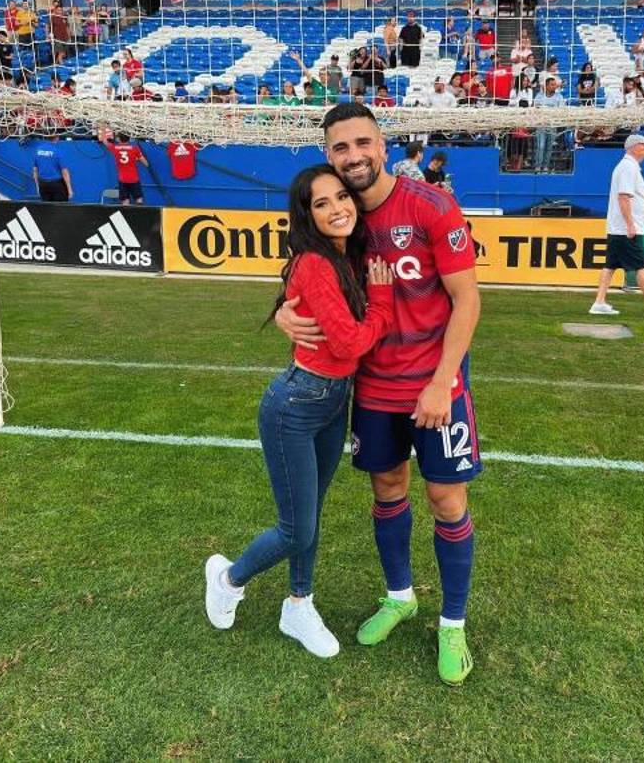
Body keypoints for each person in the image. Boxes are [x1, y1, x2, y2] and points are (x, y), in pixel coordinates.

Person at [276, 103, 482, 686]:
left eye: (362, 143)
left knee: (446, 501)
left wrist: (441, 382)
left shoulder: (431, 206)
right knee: (387, 489)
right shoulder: (336, 219)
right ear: (328, 155)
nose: (354, 156)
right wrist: (286, 312)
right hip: (371, 387)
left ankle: (452, 623)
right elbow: (304, 275)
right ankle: (400, 597)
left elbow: (467, 299)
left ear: (383, 145)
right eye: (341, 148)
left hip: (436, 385)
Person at [205, 164, 394, 658]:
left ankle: (298, 604)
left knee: (310, 515)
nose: (337, 209)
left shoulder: (344, 254)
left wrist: (288, 309)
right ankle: (228, 579)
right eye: (321, 203)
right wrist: (382, 304)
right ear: (306, 215)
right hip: (295, 406)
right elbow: (350, 343)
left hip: (333, 402)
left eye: (341, 197)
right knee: (297, 528)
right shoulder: (314, 261)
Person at [589, 134, 644, 319]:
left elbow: (628, 195)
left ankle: (599, 303)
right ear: (634, 147)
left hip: (619, 228)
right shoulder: (628, 168)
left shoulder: (629, 167)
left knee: (610, 265)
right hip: (626, 229)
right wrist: (630, 225)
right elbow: (623, 197)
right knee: (641, 266)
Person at [102, 132, 149, 205]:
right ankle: (139, 211)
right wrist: (137, 159)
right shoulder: (134, 148)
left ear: (119, 139)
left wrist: (103, 130)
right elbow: (146, 164)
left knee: (125, 201)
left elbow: (104, 141)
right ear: (129, 138)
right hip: (134, 178)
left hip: (122, 179)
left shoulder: (115, 148)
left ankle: (126, 212)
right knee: (139, 199)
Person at [533, 77, 565, 173]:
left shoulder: (559, 97)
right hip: (541, 125)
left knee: (549, 147)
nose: (554, 86)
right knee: (541, 146)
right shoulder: (539, 96)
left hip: (552, 125)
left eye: (555, 84)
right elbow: (535, 109)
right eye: (552, 84)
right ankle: (538, 167)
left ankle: (545, 166)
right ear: (546, 86)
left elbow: (561, 111)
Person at [32, 135, 73, 202]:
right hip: (57, 185)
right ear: (57, 138)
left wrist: (37, 186)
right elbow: (64, 172)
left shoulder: (38, 150)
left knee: (46, 207)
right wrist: (69, 189)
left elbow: (35, 170)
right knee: (60, 207)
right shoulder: (58, 151)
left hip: (43, 184)